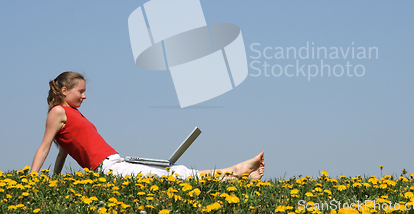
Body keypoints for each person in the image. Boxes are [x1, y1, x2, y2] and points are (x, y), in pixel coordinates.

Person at [31, 71, 265, 180]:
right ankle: (236, 171)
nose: (84, 96)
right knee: (174, 175)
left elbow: (63, 151)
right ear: (64, 91)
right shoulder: (58, 112)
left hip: (117, 161)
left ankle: (238, 176)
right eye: (80, 91)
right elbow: (45, 147)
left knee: (172, 172)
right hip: (108, 169)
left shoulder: (72, 115)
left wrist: (55, 181)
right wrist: (31, 180)